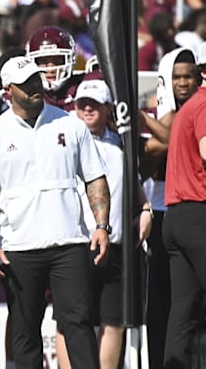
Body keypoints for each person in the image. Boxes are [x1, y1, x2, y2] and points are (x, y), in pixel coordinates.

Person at [0, 56, 110, 368]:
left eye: (36, 79)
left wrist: (102, 225)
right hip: (20, 248)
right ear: (8, 91)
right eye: (26, 83)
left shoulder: (70, 124)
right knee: (25, 332)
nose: (36, 87)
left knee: (79, 325)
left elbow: (94, 177)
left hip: (70, 243)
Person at [55, 78, 153, 369]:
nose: (87, 109)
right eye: (82, 103)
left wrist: (145, 209)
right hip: (75, 244)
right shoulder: (64, 141)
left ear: (109, 108)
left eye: (94, 104)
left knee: (114, 321)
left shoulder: (122, 144)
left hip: (118, 244)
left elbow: (134, 186)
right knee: (70, 320)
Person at [161, 47, 206, 368]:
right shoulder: (204, 104)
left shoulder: (191, 105)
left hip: (176, 218)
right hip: (197, 216)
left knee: (182, 310)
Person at [25, 25, 84, 112]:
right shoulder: (24, 95)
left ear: (71, 59)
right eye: (43, 61)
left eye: (58, 61)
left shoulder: (84, 86)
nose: (51, 69)